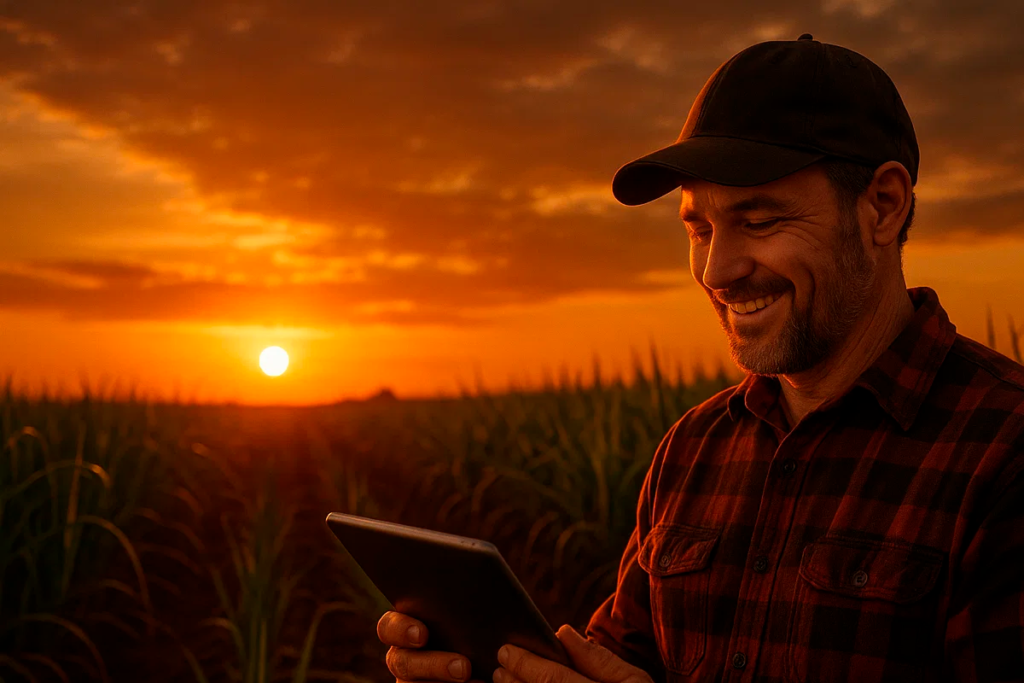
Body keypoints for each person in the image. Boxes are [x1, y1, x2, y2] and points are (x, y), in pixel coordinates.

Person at [376, 35, 1024, 683]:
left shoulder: (1004, 451)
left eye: (760, 220)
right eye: (699, 228)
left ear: (883, 205)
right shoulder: (693, 449)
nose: (718, 270)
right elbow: (624, 660)